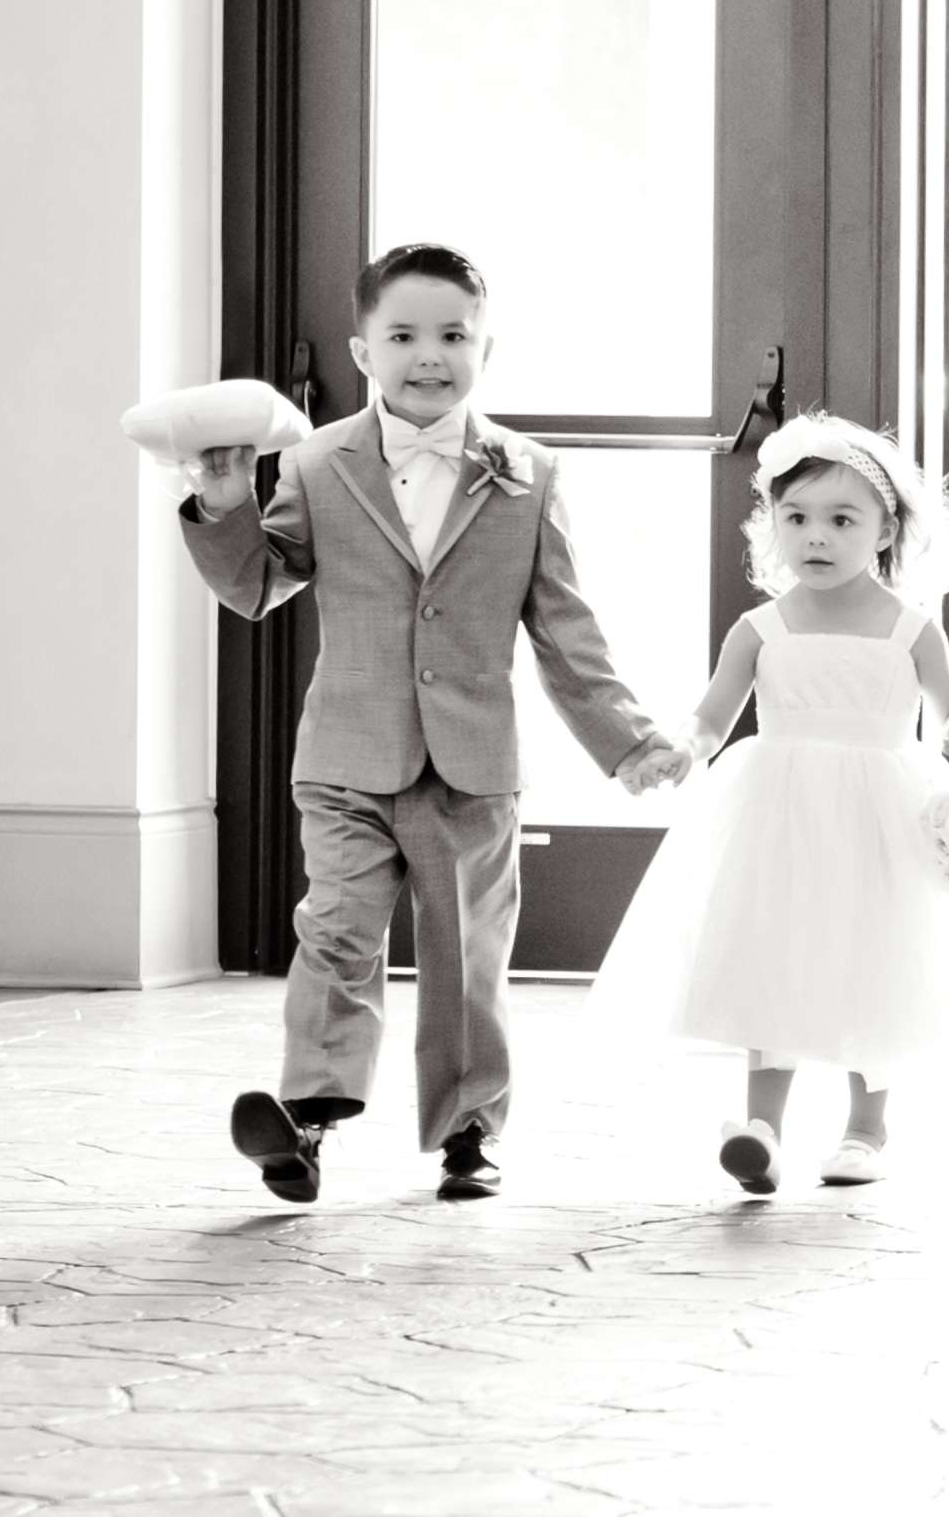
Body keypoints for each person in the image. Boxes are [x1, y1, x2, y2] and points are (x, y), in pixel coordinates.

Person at [172, 242, 686, 1203]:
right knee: (336, 931)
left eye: (454, 335)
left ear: (488, 347)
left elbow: (566, 630)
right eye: (403, 334)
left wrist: (630, 741)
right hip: (347, 754)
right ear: (363, 350)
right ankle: (307, 1121)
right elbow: (257, 584)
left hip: (471, 763)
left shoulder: (528, 473)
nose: (429, 355)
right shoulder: (318, 462)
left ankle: (467, 1135)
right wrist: (224, 502)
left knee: (465, 955)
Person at [593, 411, 949, 1192]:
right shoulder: (759, 627)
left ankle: (865, 1128)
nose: (817, 537)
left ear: (883, 530)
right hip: (779, 815)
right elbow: (711, 716)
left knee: (874, 958)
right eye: (796, 518)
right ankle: (762, 1129)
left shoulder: (911, 630)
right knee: (773, 955)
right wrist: (683, 748)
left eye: (842, 519)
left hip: (878, 817)